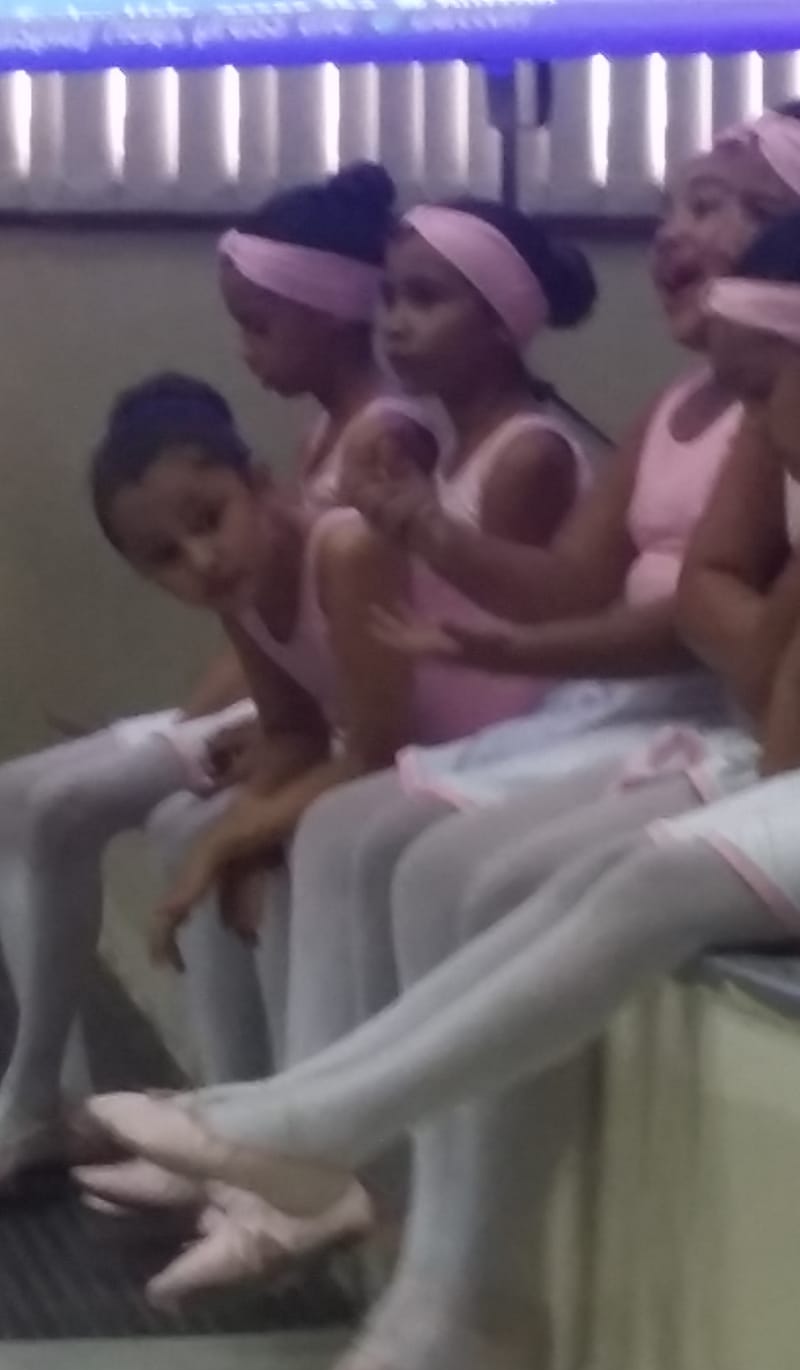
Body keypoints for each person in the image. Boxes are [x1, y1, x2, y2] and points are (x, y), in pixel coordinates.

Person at [89, 181, 800, 1370]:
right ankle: (332, 1159)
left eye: (765, 388)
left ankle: (313, 1134)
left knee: (644, 889)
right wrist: (775, 798)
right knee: (609, 879)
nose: (750, 419)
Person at [77, 190, 599, 1268]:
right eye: (166, 557)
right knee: (210, 831)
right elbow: (294, 731)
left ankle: (308, 1155)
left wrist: (244, 830)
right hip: (412, 739)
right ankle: (237, 1131)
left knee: (300, 839)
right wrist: (234, 821)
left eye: (210, 522)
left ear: (260, 485)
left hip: (508, 732)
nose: (202, 559)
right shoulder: (259, 568)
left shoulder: (396, 512)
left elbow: (386, 733)